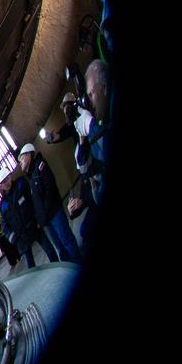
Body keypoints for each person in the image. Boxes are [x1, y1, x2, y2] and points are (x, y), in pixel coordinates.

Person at [68, 58, 110, 244]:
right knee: (85, 232)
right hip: (97, 192)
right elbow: (86, 170)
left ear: (105, 88)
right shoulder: (98, 121)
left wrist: (90, 125)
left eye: (91, 94)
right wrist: (83, 138)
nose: (90, 102)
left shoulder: (101, 122)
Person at [18, 142, 80, 262]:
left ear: (29, 155)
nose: (20, 161)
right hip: (46, 220)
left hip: (54, 213)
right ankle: (69, 269)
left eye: (21, 157)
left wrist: (45, 212)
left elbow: (50, 188)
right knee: (60, 247)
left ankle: (78, 263)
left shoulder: (41, 166)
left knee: (66, 240)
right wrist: (39, 218)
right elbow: (36, 202)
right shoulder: (30, 176)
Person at [1, 170, 58, 268]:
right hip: (22, 237)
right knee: (30, 265)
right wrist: (14, 238)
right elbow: (4, 224)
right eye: (3, 182)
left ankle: (57, 267)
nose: (6, 183)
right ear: (0, 185)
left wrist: (38, 218)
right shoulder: (2, 205)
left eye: (7, 179)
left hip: (34, 226)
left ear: (10, 177)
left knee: (49, 249)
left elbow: (34, 200)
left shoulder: (21, 184)